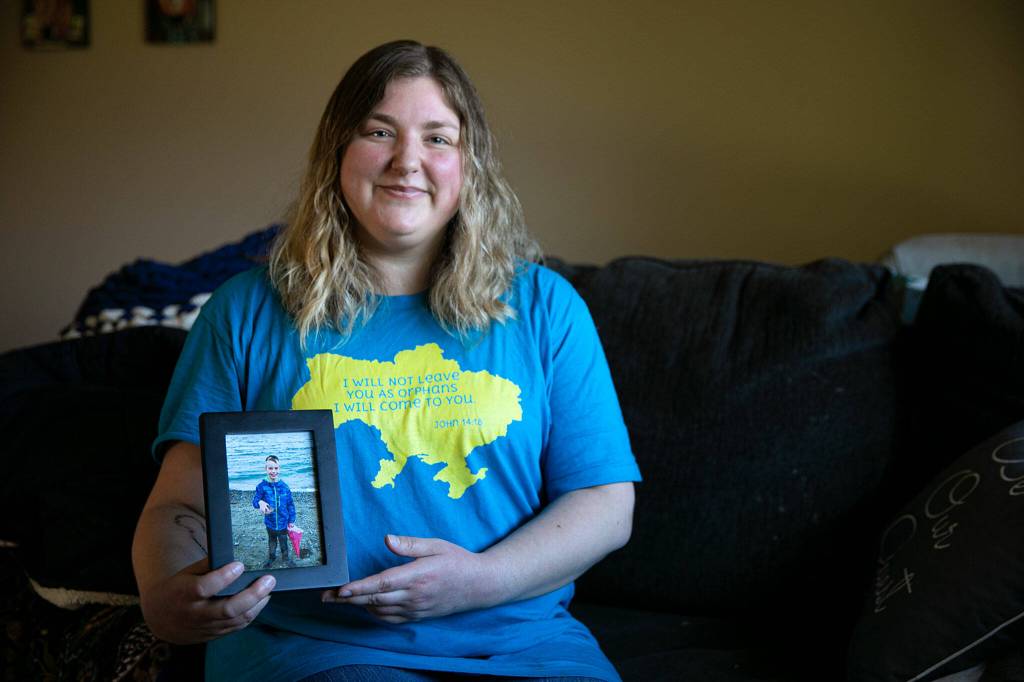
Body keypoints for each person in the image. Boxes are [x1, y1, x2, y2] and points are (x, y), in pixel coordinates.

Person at [132, 39, 640, 681]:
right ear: (337, 151)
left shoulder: (547, 308)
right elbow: (179, 507)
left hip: (527, 644)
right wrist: (166, 597)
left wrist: (479, 581)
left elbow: (605, 503)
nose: (407, 161)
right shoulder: (243, 312)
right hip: (310, 646)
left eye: (438, 138)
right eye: (380, 131)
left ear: (470, 165)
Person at [253, 455, 298, 569]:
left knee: (284, 542)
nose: (273, 471)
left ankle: (285, 558)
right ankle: (271, 557)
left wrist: (291, 520)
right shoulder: (261, 486)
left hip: (283, 522)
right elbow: (255, 501)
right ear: (266, 469)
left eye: (276, 468)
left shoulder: (285, 487)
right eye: (270, 468)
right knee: (272, 541)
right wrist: (260, 503)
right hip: (270, 523)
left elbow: (290, 504)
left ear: (279, 468)